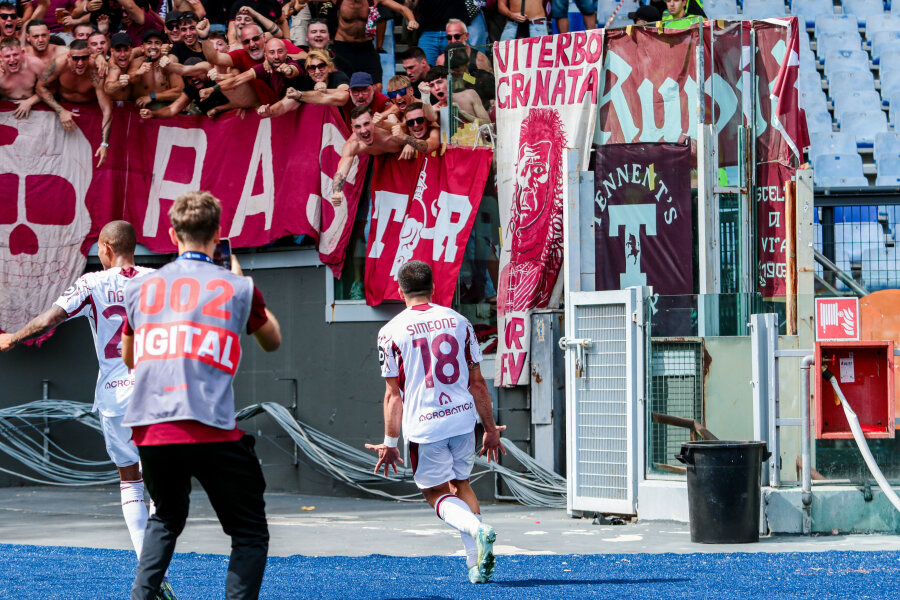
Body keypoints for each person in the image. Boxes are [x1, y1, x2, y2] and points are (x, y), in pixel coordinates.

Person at [0, 221, 179, 600]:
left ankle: (150, 572)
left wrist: (12, 338)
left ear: (106, 248)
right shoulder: (160, 280)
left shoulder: (91, 283)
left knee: (130, 478)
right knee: (161, 480)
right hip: (157, 392)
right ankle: (156, 566)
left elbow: (48, 320)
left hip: (116, 396)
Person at [120, 191, 281, 600]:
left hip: (151, 427)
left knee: (165, 518)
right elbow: (272, 341)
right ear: (218, 234)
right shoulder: (238, 287)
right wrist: (241, 280)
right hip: (210, 426)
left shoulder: (141, 288)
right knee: (248, 531)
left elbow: (129, 357)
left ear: (172, 234)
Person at [367, 260, 505, 584]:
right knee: (462, 484)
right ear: (433, 287)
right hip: (462, 421)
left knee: (435, 493)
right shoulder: (460, 322)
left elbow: (393, 395)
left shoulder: (390, 332)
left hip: (426, 426)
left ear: (399, 291)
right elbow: (478, 384)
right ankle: (474, 564)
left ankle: (476, 529)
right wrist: (489, 429)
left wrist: (389, 443)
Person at [36, 39, 112, 167]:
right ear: (68, 57)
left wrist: (104, 144)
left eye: (84, 58)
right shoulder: (59, 63)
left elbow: (107, 110)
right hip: (64, 111)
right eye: (76, 58)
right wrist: (60, 111)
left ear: (90, 56)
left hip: (90, 113)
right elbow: (40, 87)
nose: (80, 63)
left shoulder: (95, 70)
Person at [322, 0, 417, 88]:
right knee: (343, 86)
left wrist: (412, 20)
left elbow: (402, 8)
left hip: (365, 47)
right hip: (342, 47)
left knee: (377, 86)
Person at [329, 104, 402, 207]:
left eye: (366, 124)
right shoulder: (353, 144)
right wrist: (337, 191)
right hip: (383, 163)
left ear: (373, 121)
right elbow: (341, 172)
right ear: (352, 128)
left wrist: (409, 144)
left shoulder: (388, 125)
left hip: (407, 157)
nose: (363, 130)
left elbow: (410, 124)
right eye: (358, 126)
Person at [203, 37, 300, 102]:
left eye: (280, 51)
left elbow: (294, 69)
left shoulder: (293, 63)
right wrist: (212, 89)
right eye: (272, 52)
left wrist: (289, 70)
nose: (276, 56)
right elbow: (236, 80)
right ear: (266, 55)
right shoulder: (261, 68)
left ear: (286, 52)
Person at [257, 48, 347, 115]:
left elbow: (345, 91)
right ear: (308, 71)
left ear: (330, 67)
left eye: (321, 66)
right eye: (312, 68)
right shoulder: (305, 82)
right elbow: (283, 105)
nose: (317, 71)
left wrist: (325, 90)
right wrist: (269, 111)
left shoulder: (338, 76)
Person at [142, 56, 232, 117]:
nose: (194, 78)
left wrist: (217, 109)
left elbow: (239, 102)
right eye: (189, 77)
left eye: (196, 74)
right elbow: (171, 109)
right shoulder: (191, 89)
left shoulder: (216, 78)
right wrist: (153, 114)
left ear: (205, 71)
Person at [128, 29, 184, 108]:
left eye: (157, 43)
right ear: (142, 47)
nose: (153, 47)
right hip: (139, 109)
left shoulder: (168, 62)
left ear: (162, 46)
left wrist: (152, 97)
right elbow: (128, 80)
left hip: (164, 108)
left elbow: (179, 91)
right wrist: (138, 72)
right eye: (149, 43)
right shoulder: (136, 62)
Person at [421, 65, 489, 124]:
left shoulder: (470, 95)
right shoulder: (435, 108)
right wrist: (425, 95)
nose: (436, 88)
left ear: (449, 81)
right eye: (432, 85)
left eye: (439, 82)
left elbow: (488, 124)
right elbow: (430, 117)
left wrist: (462, 113)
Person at [0, 36, 44, 117]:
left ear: (22, 53)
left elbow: (50, 88)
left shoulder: (36, 64)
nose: (12, 59)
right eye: (7, 56)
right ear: (1, 57)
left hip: (33, 104)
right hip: (7, 106)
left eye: (15, 54)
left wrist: (30, 102)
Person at [104, 30, 134, 100]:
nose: (123, 54)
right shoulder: (113, 67)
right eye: (118, 50)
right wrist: (119, 83)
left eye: (126, 50)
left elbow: (140, 49)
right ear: (112, 51)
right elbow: (107, 88)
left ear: (131, 50)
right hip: (113, 104)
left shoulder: (133, 56)